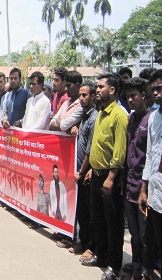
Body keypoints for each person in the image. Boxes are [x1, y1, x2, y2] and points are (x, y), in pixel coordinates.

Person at [82, 74, 128, 280]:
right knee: (98, 220)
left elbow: (119, 151)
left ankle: (114, 265)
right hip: (96, 174)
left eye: (101, 87)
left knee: (113, 224)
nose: (97, 90)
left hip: (111, 177)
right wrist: (91, 167)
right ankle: (100, 256)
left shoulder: (119, 115)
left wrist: (111, 177)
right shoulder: (101, 113)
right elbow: (96, 146)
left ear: (112, 90)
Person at [140, 69, 162, 280]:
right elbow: (151, 155)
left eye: (160, 88)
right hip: (155, 192)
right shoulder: (154, 117)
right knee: (161, 246)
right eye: (153, 90)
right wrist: (144, 189)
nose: (156, 93)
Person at [120, 77, 155, 279]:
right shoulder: (131, 119)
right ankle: (135, 265)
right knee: (133, 234)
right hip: (129, 185)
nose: (131, 100)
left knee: (145, 235)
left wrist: (144, 188)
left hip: (144, 187)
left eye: (134, 96)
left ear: (143, 95)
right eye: (128, 97)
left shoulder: (151, 119)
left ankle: (146, 270)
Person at [70, 82, 98, 256]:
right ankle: (83, 241)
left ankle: (91, 246)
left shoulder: (94, 117)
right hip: (79, 171)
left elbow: (90, 150)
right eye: (80, 95)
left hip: (85, 173)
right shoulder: (84, 116)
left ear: (93, 97)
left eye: (85, 95)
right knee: (81, 211)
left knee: (89, 213)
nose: (81, 98)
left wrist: (81, 171)